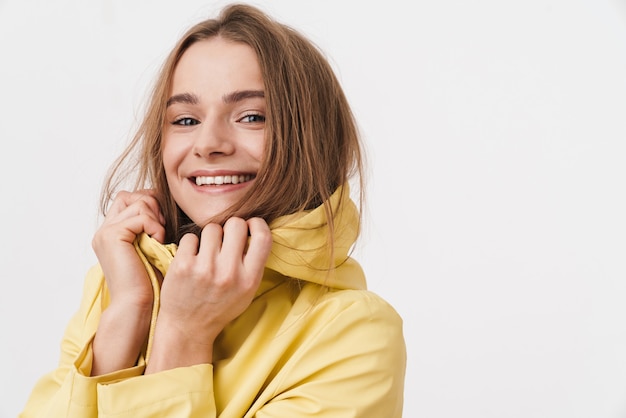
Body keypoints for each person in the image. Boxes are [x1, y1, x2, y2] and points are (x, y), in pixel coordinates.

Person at [20, 3, 406, 417]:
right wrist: (128, 312)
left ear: (310, 138)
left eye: (252, 116)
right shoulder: (118, 283)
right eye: (185, 120)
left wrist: (183, 331)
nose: (208, 143)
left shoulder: (354, 332)